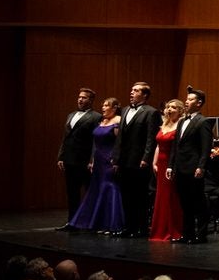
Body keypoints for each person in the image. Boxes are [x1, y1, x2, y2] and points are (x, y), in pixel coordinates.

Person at [67, 97, 125, 233]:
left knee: (109, 187)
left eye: (106, 105)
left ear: (114, 108)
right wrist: (92, 160)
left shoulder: (118, 121)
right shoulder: (102, 121)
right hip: (98, 160)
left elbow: (119, 143)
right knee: (97, 189)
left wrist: (116, 159)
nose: (103, 108)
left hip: (109, 159)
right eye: (103, 105)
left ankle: (111, 224)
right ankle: (97, 223)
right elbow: (95, 143)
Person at [115, 82, 162, 239]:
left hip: (139, 160)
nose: (131, 92)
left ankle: (141, 228)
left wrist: (146, 158)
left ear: (145, 95)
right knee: (126, 194)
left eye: (136, 91)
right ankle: (128, 227)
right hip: (124, 160)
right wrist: (116, 157)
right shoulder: (125, 110)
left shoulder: (151, 112)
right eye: (132, 90)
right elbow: (120, 137)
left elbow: (151, 138)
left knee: (140, 196)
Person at [169, 87, 213, 244]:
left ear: (199, 103)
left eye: (190, 99)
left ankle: (201, 235)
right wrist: (170, 165)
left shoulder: (203, 121)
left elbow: (206, 147)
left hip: (194, 168)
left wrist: (201, 166)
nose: (186, 101)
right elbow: (176, 146)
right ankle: (187, 234)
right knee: (185, 203)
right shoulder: (182, 121)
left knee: (198, 202)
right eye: (186, 99)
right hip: (180, 168)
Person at [57, 87, 100, 228]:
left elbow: (95, 140)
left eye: (84, 97)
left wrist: (92, 159)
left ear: (91, 100)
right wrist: (61, 156)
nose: (80, 99)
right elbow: (65, 137)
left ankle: (89, 222)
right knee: (72, 193)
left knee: (89, 192)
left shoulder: (96, 117)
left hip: (84, 161)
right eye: (79, 97)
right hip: (69, 159)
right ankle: (72, 222)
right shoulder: (71, 115)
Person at [149, 98, 185, 242]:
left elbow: (178, 148)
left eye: (173, 107)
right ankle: (160, 229)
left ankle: (173, 229)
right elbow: (158, 145)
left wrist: (172, 165)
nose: (169, 109)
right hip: (161, 163)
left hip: (172, 164)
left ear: (180, 111)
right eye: (168, 107)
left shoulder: (181, 125)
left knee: (171, 196)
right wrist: (154, 162)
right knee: (161, 196)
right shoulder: (164, 124)